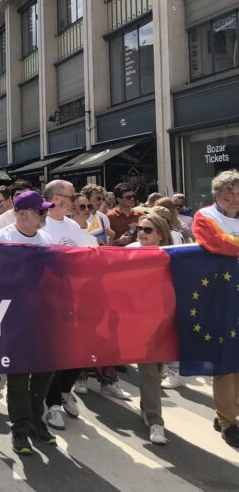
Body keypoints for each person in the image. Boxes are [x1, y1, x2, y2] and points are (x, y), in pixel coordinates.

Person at [0, 190, 56, 455]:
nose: (46, 215)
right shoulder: (2, 240)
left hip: (43, 317)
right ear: (23, 214)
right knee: (18, 376)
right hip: (13, 318)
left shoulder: (46, 239)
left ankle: (35, 419)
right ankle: (19, 428)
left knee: (44, 372)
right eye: (41, 211)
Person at [192, 170, 239, 448]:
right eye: (228, 193)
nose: (234, 198)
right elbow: (216, 243)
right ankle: (228, 421)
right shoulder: (205, 216)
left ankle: (226, 413)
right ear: (216, 195)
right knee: (224, 360)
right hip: (220, 298)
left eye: (237, 193)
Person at [40, 181, 89, 431]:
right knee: (54, 353)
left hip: (74, 297)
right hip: (48, 299)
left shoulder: (73, 226)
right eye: (73, 196)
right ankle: (53, 405)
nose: (76, 200)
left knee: (76, 351)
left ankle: (65, 391)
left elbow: (80, 258)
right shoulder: (41, 223)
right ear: (57, 199)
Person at [125, 212, 173, 445]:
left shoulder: (172, 255)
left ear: (161, 235)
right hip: (139, 322)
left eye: (147, 230)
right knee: (150, 373)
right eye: (139, 229)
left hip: (164, 321)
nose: (141, 233)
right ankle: (156, 421)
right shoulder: (129, 252)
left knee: (157, 369)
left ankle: (146, 408)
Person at [108, 182, 141, 246]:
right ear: (119, 199)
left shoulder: (141, 216)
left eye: (133, 196)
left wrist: (141, 228)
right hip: (117, 254)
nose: (132, 199)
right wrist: (118, 241)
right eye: (128, 197)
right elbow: (104, 244)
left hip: (137, 254)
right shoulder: (109, 217)